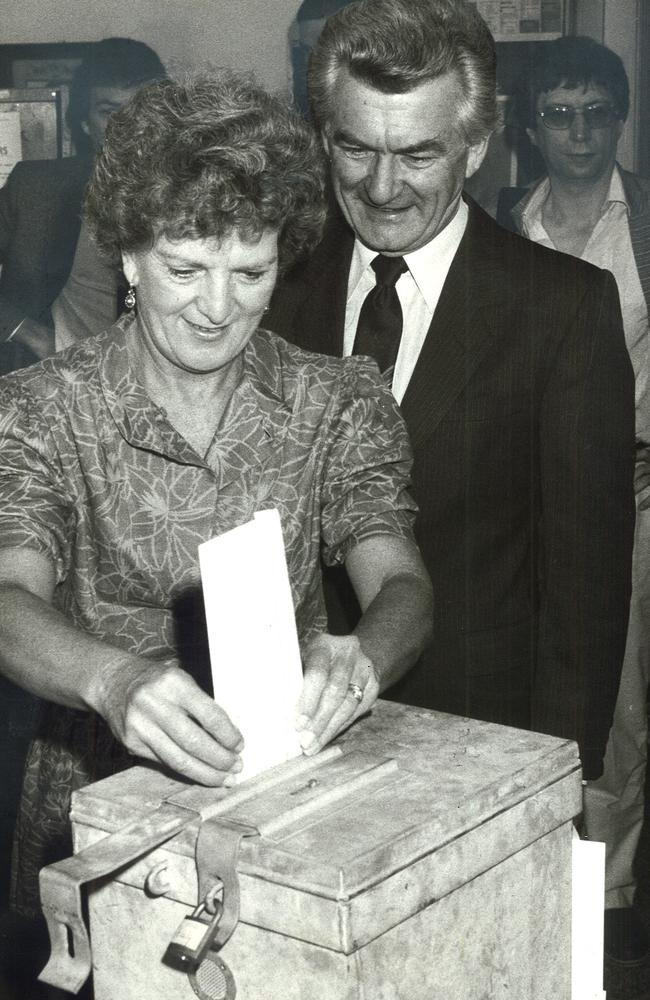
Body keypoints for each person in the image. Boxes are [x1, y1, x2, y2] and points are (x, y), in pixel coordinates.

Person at [0, 71, 432, 942]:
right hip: (95, 813)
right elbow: (7, 600)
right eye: (185, 268)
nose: (216, 307)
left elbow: (405, 586)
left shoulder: (335, 399)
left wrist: (363, 658)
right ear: (126, 256)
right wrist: (113, 680)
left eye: (250, 271)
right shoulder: (43, 409)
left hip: (287, 806)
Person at [266, 0, 635, 784]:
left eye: (419, 155)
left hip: (479, 746)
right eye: (355, 149)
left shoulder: (563, 309)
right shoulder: (273, 286)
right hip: (285, 743)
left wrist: (556, 782)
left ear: (477, 148)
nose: (383, 186)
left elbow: (586, 591)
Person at [497, 35, 650, 963]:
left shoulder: (645, 222)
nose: (581, 132)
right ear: (529, 126)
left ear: (622, 118)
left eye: (598, 112)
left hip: (642, 484)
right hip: (560, 501)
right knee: (604, 702)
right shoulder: (510, 223)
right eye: (559, 113)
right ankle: (605, 907)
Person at [0, 37, 166, 375]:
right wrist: (29, 334)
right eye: (109, 112)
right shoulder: (36, 188)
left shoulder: (198, 194)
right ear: (85, 121)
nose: (129, 126)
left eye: (142, 110)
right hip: (57, 381)